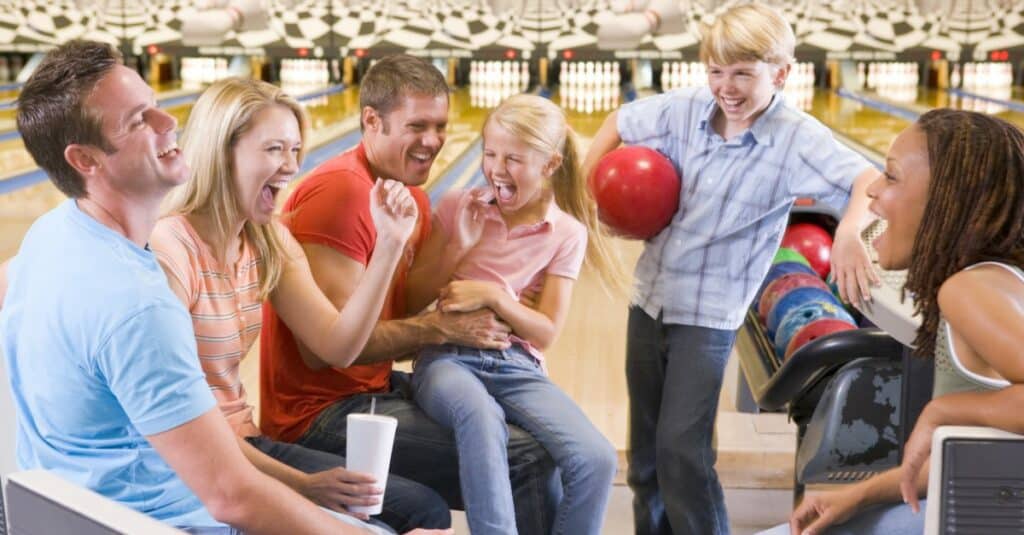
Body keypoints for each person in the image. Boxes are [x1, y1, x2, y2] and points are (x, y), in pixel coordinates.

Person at [0, 39, 380, 534]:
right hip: (158, 520)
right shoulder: (138, 305)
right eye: (139, 121)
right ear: (86, 160)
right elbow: (232, 498)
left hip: (64, 511)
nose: (169, 123)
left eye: (156, 106)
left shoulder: (51, 234)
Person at [580, 4, 879, 534]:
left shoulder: (794, 136)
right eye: (717, 71)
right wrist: (587, 198)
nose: (727, 87)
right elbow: (618, 122)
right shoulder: (685, 108)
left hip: (710, 317)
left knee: (683, 454)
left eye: (744, 73)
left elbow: (867, 180)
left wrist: (851, 232)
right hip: (650, 300)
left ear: (780, 73)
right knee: (646, 457)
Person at [259, 54, 560, 532]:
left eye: (440, 126)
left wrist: (455, 248)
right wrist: (439, 329)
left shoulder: (408, 192)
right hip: (319, 417)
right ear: (371, 120)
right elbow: (328, 355)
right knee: (528, 456)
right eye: (417, 125)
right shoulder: (341, 193)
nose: (434, 141)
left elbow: (396, 308)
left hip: (369, 392)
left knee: (546, 439)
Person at [148, 77, 452, 534]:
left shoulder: (268, 239)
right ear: (222, 150)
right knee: (418, 514)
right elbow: (178, 422)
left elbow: (339, 346)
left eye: (295, 150)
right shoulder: (170, 246)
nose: (290, 166)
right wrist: (302, 484)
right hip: (199, 457)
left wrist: (390, 243)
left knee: (421, 509)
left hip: (246, 443)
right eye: (273, 149)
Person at [759, 109, 1024, 535]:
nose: (873, 192)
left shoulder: (968, 291)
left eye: (892, 176)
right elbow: (967, 455)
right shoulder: (993, 279)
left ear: (944, 201)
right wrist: (859, 494)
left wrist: (944, 409)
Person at [405, 94, 620, 534]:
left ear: (549, 164)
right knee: (481, 418)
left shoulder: (566, 234)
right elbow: (411, 297)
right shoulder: (456, 205)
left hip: (517, 364)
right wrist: (457, 247)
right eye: (490, 154)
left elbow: (545, 333)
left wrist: (496, 296)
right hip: (446, 358)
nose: (497, 169)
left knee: (597, 459)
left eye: (514, 159)